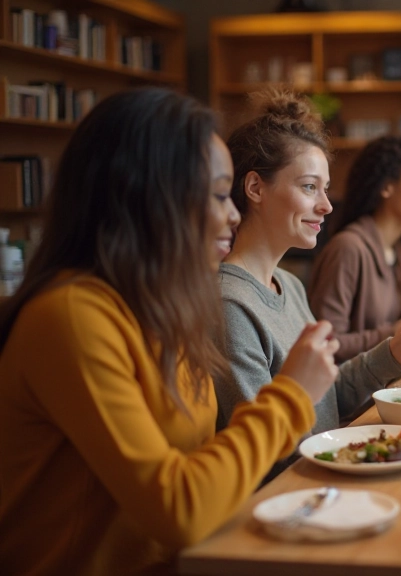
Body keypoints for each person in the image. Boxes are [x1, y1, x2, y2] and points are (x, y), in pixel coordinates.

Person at [0, 88, 340, 575]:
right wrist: (289, 395)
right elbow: (178, 508)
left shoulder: (167, 309)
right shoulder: (72, 317)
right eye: (219, 193)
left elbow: (205, 471)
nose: (231, 213)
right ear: (148, 193)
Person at [218, 91, 401, 481]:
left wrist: (393, 354)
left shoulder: (288, 285)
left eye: (325, 188)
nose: (326, 205)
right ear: (255, 189)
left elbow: (327, 400)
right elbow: (265, 452)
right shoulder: (230, 305)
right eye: (310, 187)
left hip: (326, 478)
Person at [308, 134, 401, 363]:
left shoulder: (398, 250)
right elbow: (326, 343)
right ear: (387, 186)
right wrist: (394, 334)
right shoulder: (348, 249)